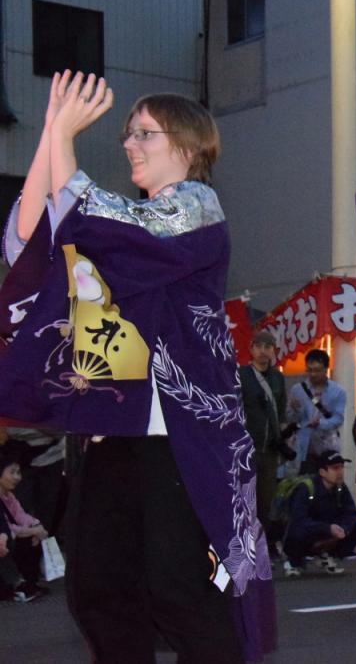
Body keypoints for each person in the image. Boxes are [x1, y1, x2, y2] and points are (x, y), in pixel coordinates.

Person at [0, 73, 274, 661]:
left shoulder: (195, 207)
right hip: (112, 432)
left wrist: (66, 147)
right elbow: (32, 237)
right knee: (100, 591)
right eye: (128, 133)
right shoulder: (121, 223)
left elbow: (108, 228)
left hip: (177, 436)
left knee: (179, 588)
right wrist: (52, 129)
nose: (129, 143)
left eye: (145, 133)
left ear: (189, 145)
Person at [239, 330, 287, 556]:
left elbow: (282, 411)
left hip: (270, 449)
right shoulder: (241, 375)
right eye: (259, 346)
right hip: (247, 447)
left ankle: (264, 543)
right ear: (251, 349)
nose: (263, 351)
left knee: (267, 499)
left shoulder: (278, 378)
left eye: (268, 347)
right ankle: (246, 544)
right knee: (246, 497)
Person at [282, 450, 356, 577]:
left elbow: (350, 513)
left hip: (327, 532)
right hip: (308, 533)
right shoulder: (306, 488)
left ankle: (328, 555)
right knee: (298, 531)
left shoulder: (340, 488)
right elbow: (299, 519)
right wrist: (327, 529)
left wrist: (344, 528)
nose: (340, 471)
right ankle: (294, 561)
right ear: (322, 472)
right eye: (335, 468)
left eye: (341, 467)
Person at [283, 348, 346, 477]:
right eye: (309, 370)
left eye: (317, 370)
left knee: (326, 484)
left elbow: (339, 419)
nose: (313, 374)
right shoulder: (297, 389)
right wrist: (295, 410)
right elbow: (291, 418)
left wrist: (321, 423)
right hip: (302, 446)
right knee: (304, 483)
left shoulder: (338, 392)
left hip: (326, 445)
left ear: (326, 369)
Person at [0, 456, 47, 601]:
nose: (16, 477)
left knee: (35, 537)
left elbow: (21, 516)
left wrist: (36, 526)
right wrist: (33, 531)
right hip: (5, 537)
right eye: (12, 472)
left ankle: (29, 581)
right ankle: (15, 585)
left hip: (9, 535)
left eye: (18, 473)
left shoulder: (9, 497)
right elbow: (7, 527)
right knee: (10, 538)